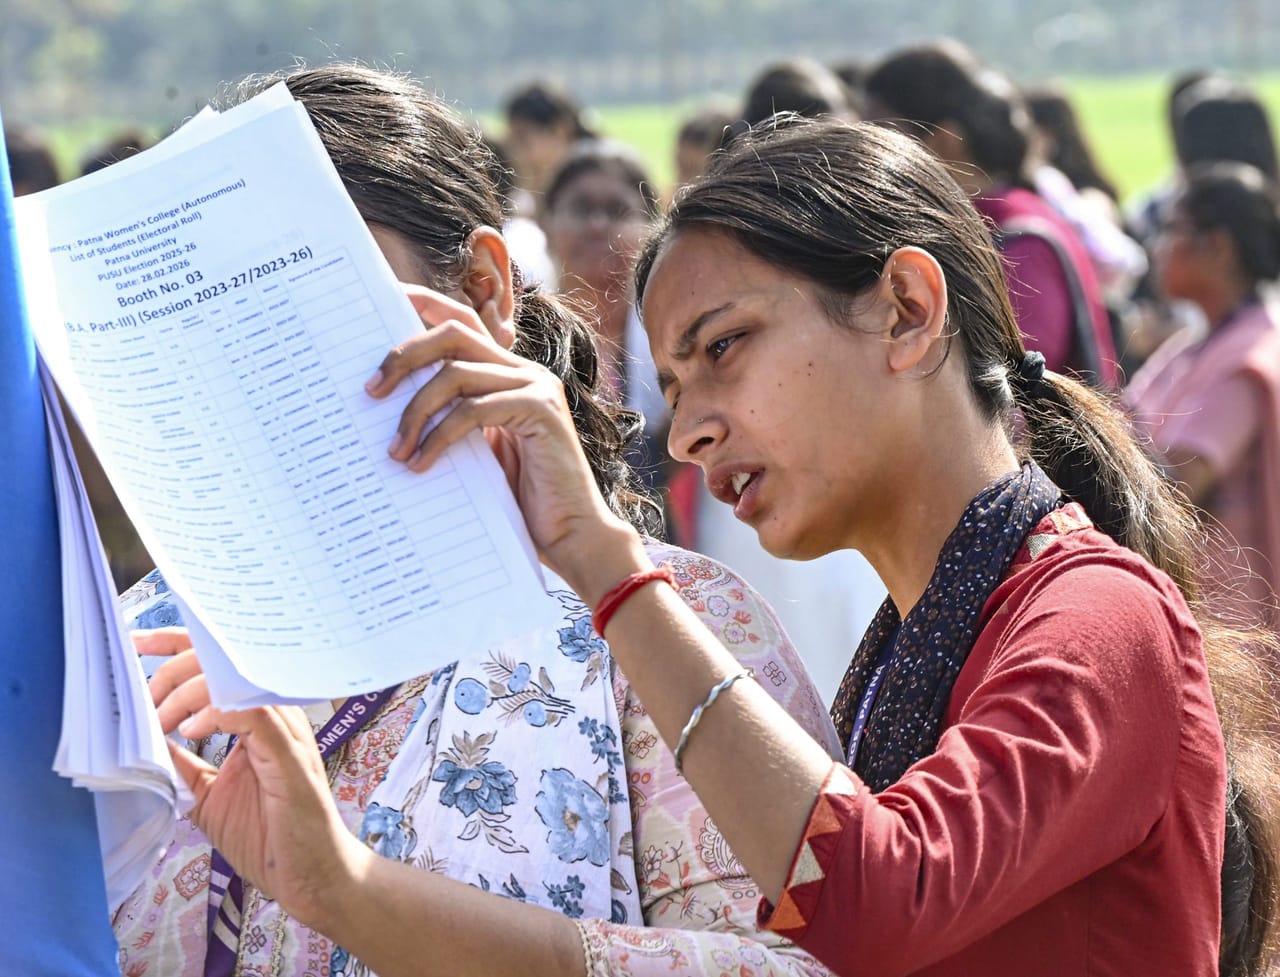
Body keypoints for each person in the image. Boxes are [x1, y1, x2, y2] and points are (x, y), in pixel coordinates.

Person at [155, 117, 1278, 977]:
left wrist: (598, 557)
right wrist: (340, 889)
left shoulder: (1097, 613)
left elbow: (861, 901)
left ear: (903, 307)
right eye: (674, 381)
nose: (687, 432)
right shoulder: (919, 642)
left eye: (724, 346)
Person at [115, 65, 841, 977]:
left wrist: (358, 893)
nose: (263, 374)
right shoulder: (123, 656)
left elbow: (805, 964)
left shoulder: (678, 635)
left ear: (488, 291)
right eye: (213, 331)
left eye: (301, 304)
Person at [863, 41, 1119, 388]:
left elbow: (1017, 386)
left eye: (883, 136)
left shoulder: (1018, 239)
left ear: (945, 142)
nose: (868, 158)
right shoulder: (975, 226)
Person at [1126, 162, 1280, 630]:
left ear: (1217, 246)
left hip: (1233, 626)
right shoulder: (1192, 346)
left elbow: (1177, 484)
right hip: (1188, 601)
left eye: (1169, 229)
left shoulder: (1250, 357)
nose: (1156, 247)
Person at [503, 80, 599, 217]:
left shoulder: (597, 186)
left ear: (560, 130)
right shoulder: (522, 201)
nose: (514, 149)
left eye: (522, 138)